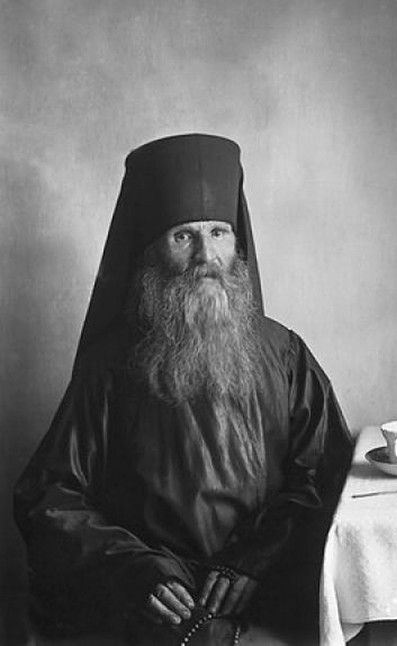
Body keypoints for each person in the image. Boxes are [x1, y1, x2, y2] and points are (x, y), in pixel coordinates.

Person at [14, 134, 354, 645]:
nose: (206, 256)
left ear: (237, 244)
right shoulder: (109, 365)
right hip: (157, 598)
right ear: (151, 251)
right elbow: (50, 496)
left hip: (269, 577)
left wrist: (256, 559)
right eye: (183, 237)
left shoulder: (285, 353)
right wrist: (135, 570)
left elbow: (325, 472)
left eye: (218, 233)